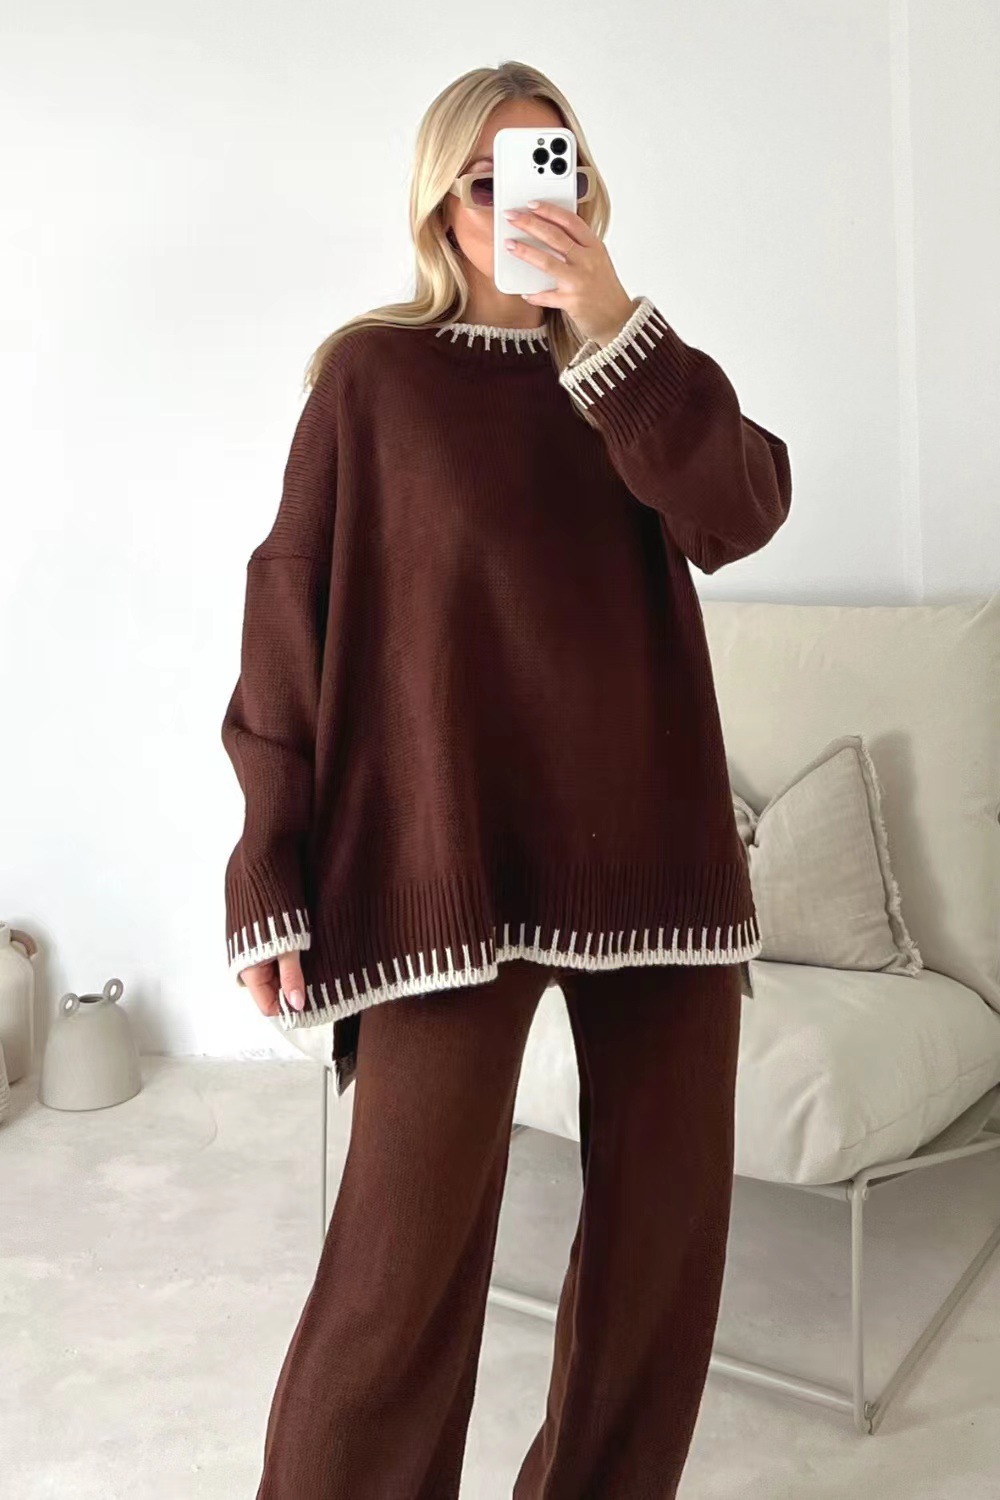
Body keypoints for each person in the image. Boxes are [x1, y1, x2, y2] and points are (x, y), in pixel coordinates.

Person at [221, 58, 792, 1500]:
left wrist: (613, 326)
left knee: (659, 1272)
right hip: (446, 866)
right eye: (492, 178)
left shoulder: (636, 376)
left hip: (656, 862)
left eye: (557, 170)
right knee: (392, 1286)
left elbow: (739, 511)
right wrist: (268, 860)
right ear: (441, 203)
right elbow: (291, 611)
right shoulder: (374, 379)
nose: (529, 202)